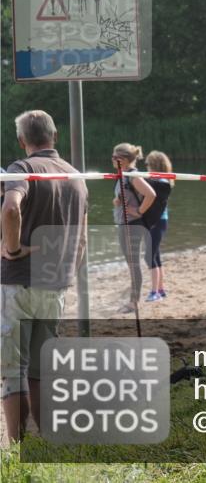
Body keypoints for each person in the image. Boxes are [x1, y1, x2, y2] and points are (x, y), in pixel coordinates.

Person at [2, 111, 88, 442]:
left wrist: (11, 248)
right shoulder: (76, 176)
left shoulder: (21, 169)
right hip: (56, 283)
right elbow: (82, 239)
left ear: (23, 141)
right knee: (40, 372)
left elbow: (11, 208)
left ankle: (17, 447)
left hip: (19, 281)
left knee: (14, 372)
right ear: (55, 136)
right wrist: (69, 270)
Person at [111, 143, 156, 313]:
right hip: (126, 224)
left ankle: (133, 302)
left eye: (115, 157)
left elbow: (151, 194)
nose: (112, 160)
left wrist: (138, 211)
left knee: (133, 264)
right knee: (132, 264)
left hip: (132, 226)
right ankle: (133, 299)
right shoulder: (123, 175)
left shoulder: (132, 175)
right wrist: (118, 202)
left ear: (123, 159)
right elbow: (128, 196)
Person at [142, 150, 174, 302]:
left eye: (147, 164)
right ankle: (160, 289)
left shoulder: (162, 181)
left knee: (149, 256)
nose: (146, 167)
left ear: (154, 165)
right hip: (156, 221)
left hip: (158, 222)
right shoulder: (157, 180)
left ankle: (154, 292)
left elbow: (150, 187)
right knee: (155, 255)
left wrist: (136, 178)